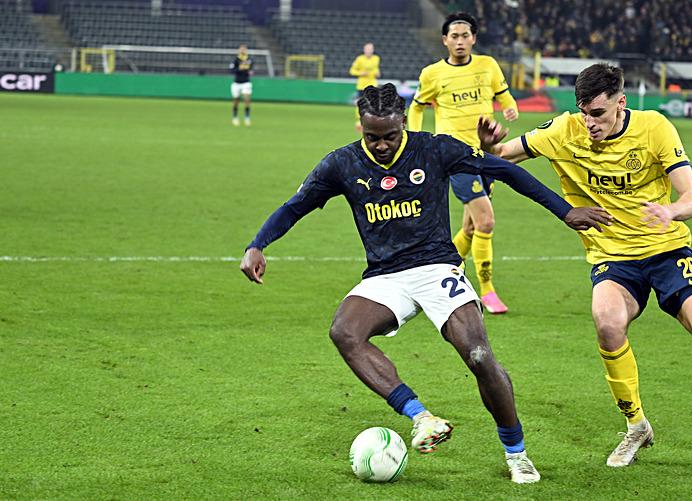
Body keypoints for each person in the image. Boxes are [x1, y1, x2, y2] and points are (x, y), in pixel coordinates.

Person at [240, 84, 612, 483]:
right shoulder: (342, 163)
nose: (382, 146)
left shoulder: (434, 149)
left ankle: (516, 453)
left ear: (403, 122)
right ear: (360, 125)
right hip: (385, 275)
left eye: (389, 136)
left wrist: (565, 211)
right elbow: (295, 207)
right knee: (344, 332)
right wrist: (257, 244)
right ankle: (420, 416)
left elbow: (504, 170)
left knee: (479, 355)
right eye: (372, 137)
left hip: (437, 269)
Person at [478, 63, 692, 476]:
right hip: (613, 258)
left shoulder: (654, 127)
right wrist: (489, 144)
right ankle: (636, 426)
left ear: (621, 102)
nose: (589, 123)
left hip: (667, 251)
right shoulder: (563, 130)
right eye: (584, 112)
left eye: (598, 113)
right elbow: (502, 156)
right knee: (607, 322)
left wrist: (670, 211)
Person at [408, 12, 518, 314]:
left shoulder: (488, 65)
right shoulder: (432, 74)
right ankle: (487, 290)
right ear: (445, 40)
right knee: (486, 221)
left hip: (486, 153)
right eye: (454, 36)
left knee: (470, 228)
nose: (460, 41)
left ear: (473, 39)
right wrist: (416, 138)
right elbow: (416, 107)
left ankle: (440, 276)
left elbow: (504, 95)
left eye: (465, 35)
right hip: (454, 156)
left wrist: (510, 108)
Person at [349, 42, 381, 132]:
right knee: (360, 103)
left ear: (373, 50)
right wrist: (361, 73)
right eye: (367, 49)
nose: (369, 51)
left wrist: (377, 73)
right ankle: (359, 122)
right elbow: (352, 71)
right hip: (362, 85)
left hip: (372, 85)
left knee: (373, 104)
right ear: (364, 50)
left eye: (370, 49)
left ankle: (371, 122)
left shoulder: (376, 58)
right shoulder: (359, 59)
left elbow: (376, 69)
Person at [230, 44, 254, 127]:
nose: (243, 50)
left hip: (246, 82)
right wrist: (239, 69)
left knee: (246, 98)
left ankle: (247, 117)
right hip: (236, 83)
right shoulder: (235, 60)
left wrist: (251, 72)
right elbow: (231, 70)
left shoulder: (250, 59)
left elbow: (251, 69)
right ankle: (235, 117)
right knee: (236, 101)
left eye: (244, 49)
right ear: (239, 50)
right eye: (241, 49)